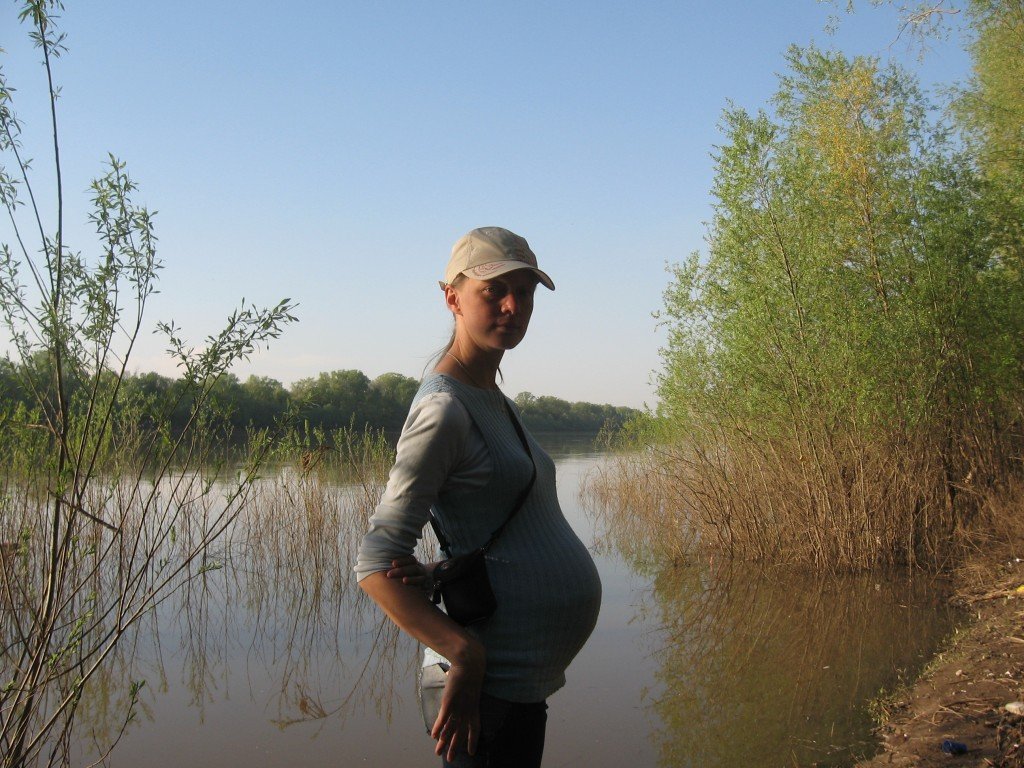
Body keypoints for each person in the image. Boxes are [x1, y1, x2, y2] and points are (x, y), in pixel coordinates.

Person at [354, 227, 602, 767]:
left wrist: (436, 571)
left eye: (525, 292)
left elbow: (482, 519)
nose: (514, 306)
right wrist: (463, 654)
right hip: (486, 691)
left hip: (517, 684)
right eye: (494, 291)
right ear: (452, 298)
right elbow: (373, 563)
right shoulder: (444, 408)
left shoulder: (489, 395)